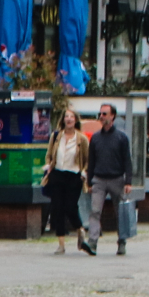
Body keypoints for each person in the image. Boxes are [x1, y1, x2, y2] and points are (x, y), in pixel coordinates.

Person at [85, 103, 133, 256]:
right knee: (95, 211)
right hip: (99, 179)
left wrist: (128, 181)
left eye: (105, 114)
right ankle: (92, 242)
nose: (101, 116)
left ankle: (122, 242)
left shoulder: (121, 137)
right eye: (100, 113)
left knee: (120, 212)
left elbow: (127, 160)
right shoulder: (96, 138)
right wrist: (89, 181)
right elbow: (91, 161)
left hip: (116, 179)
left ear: (112, 116)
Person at [42, 104, 88, 253]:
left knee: (70, 206)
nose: (69, 119)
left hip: (74, 175)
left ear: (75, 120)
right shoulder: (56, 136)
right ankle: (61, 244)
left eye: (71, 117)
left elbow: (88, 159)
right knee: (58, 208)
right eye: (66, 116)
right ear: (63, 120)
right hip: (57, 174)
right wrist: (48, 166)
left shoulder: (82, 138)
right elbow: (49, 155)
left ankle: (80, 230)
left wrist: (84, 172)